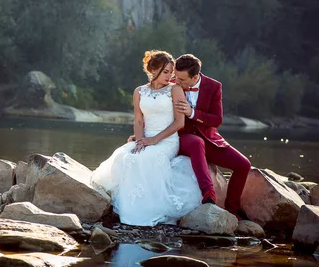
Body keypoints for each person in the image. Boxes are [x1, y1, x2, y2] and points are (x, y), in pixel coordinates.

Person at [91, 50, 202, 226]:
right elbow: (138, 119)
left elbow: (179, 123)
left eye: (171, 72)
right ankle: (124, 207)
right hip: (146, 138)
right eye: (165, 72)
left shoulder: (175, 90)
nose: (169, 76)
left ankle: (144, 211)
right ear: (153, 70)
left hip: (166, 141)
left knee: (145, 159)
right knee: (126, 156)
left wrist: (154, 140)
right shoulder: (139, 91)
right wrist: (141, 139)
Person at [172, 54, 251, 219]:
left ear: (195, 77)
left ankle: (231, 210)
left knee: (243, 164)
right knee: (196, 142)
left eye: (181, 79)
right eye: (175, 76)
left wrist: (192, 113)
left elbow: (217, 120)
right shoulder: (171, 84)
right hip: (180, 137)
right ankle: (208, 193)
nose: (176, 81)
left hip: (208, 138)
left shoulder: (214, 86)